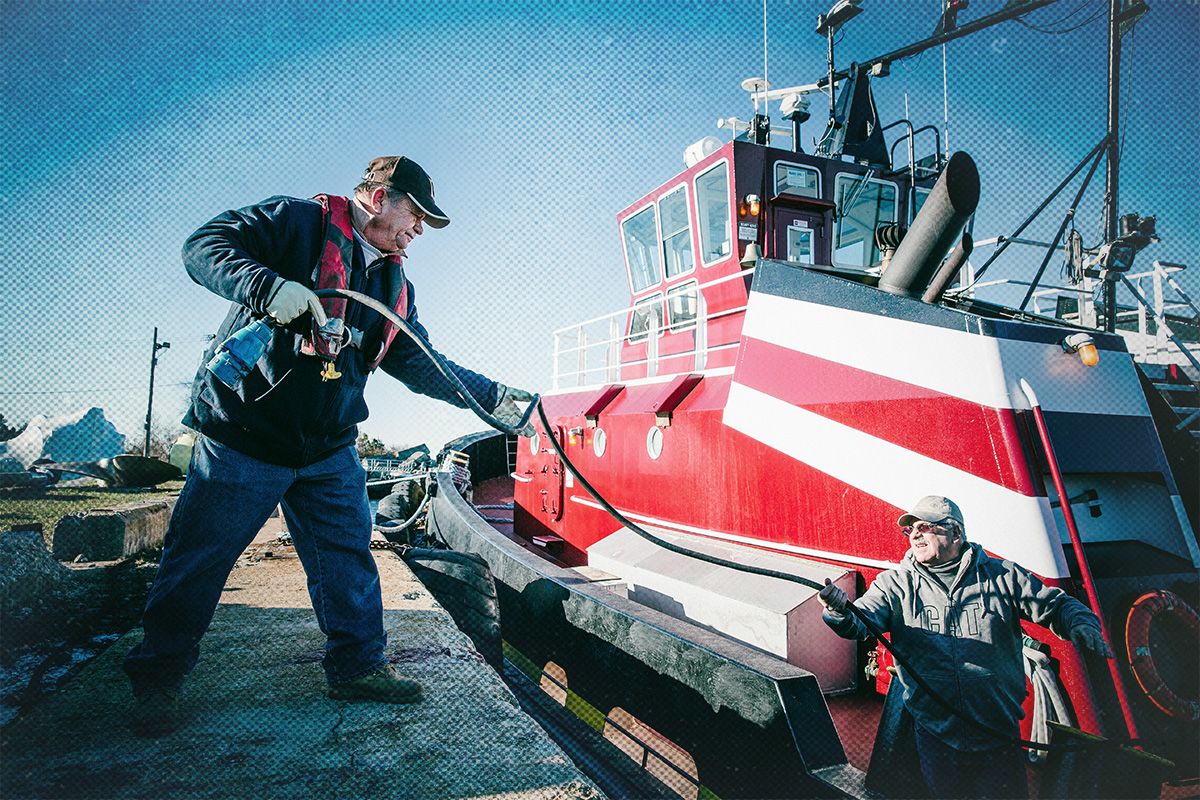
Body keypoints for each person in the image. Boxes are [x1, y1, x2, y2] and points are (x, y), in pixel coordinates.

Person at [123, 155, 534, 736]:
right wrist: (267, 286)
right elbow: (203, 244)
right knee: (200, 557)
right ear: (376, 197)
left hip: (327, 445)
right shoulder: (295, 223)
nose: (419, 230)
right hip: (245, 435)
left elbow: (418, 361)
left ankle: (358, 668)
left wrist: (495, 398)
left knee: (348, 556)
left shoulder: (396, 286)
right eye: (415, 214)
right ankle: (157, 681)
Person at [817, 495, 1114, 799]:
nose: (915, 534)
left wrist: (1081, 624)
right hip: (936, 733)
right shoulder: (894, 585)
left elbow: (1056, 605)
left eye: (925, 527)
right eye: (911, 530)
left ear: (956, 533)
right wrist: (839, 610)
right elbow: (858, 624)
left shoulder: (1003, 577)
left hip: (998, 732)